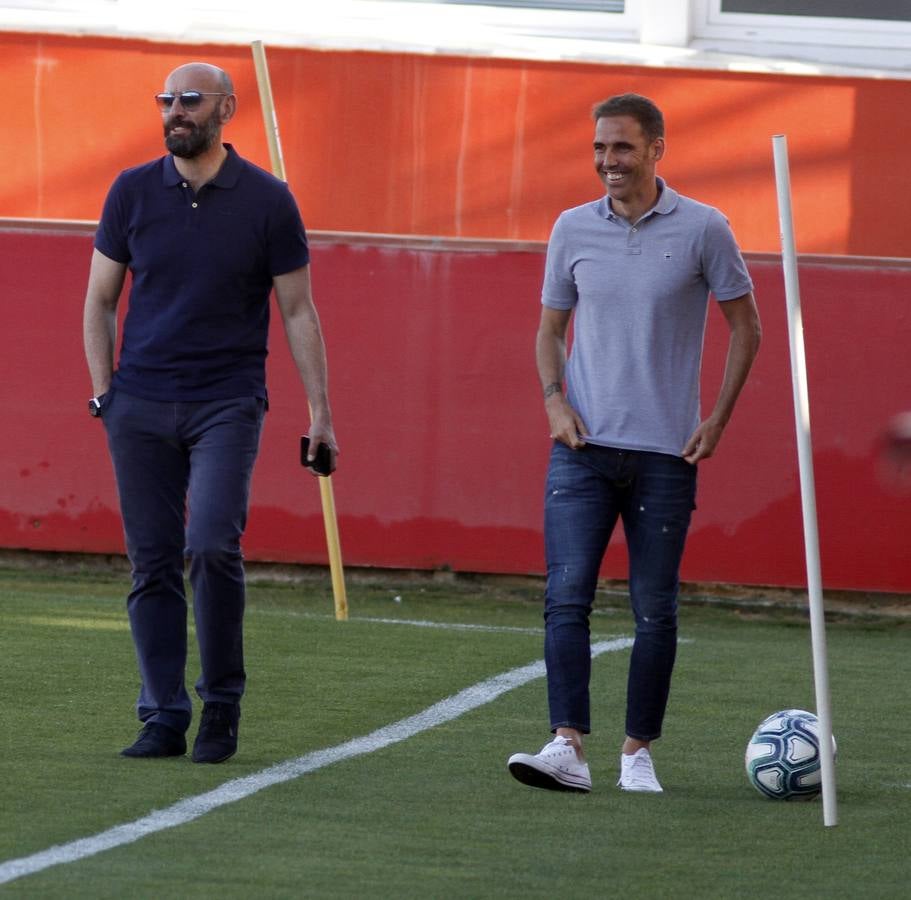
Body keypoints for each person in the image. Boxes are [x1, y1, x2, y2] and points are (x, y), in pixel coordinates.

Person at [83, 62, 337, 763]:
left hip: (227, 401)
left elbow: (298, 310)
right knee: (152, 561)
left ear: (226, 108)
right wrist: (106, 394)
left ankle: (221, 705)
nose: (175, 110)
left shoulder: (268, 200)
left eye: (190, 100)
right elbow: (100, 300)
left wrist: (320, 413)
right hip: (139, 404)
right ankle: (163, 715)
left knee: (212, 544)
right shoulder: (132, 190)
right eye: (166, 99)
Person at [507, 93, 761, 793]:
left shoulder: (705, 228)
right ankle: (566, 747)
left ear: (655, 149)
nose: (607, 160)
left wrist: (718, 418)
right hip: (582, 450)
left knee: (655, 610)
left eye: (621, 146)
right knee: (565, 598)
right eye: (599, 147)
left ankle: (636, 753)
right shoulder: (571, 228)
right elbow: (548, 329)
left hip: (665, 456)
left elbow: (747, 326)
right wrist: (554, 401)